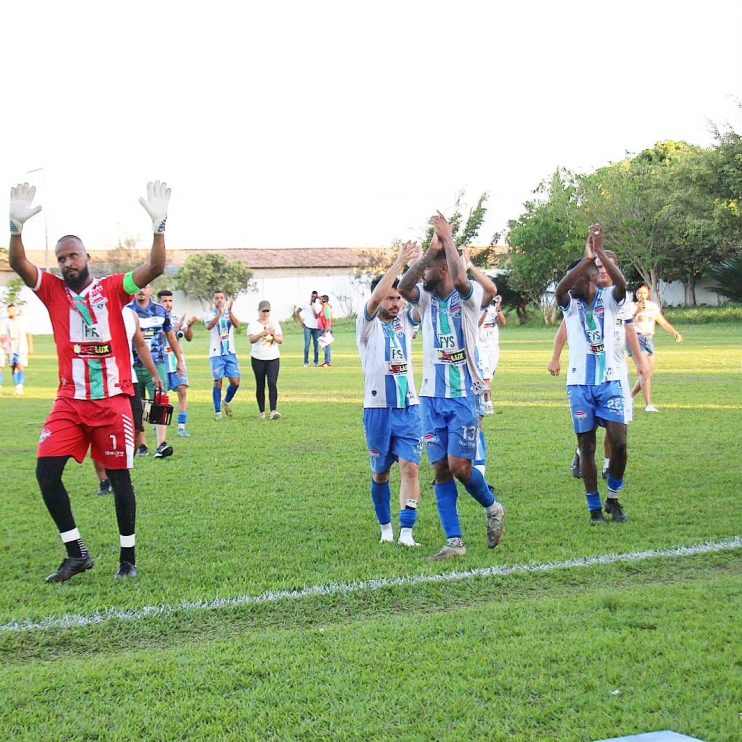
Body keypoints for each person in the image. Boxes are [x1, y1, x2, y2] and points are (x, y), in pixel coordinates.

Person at [8, 178, 171, 581]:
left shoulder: (115, 289)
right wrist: (15, 228)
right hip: (69, 401)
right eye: (61, 258)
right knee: (46, 473)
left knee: (120, 479)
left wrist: (159, 226)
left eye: (73, 256)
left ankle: (127, 560)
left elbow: (155, 267)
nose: (67, 263)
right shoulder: (52, 291)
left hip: (113, 401)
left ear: (87, 257)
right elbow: (18, 264)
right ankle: (76, 552)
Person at [398, 213, 505, 561]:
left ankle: (492, 507)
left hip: (464, 396)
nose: (425, 272)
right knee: (441, 469)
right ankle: (454, 541)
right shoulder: (426, 300)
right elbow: (403, 287)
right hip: (431, 397)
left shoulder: (468, 297)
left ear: (444, 270)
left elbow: (461, 278)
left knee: (460, 466)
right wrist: (429, 252)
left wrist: (449, 240)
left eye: (430, 267)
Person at [549, 250, 647, 481]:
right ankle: (584, 455)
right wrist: (555, 357)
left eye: (606, 266)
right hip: (583, 378)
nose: (603, 270)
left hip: (616, 370)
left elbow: (628, 328)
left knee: (619, 430)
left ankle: (607, 467)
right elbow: (563, 328)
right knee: (588, 435)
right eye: (600, 266)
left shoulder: (614, 298)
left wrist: (639, 360)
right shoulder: (575, 302)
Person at [554, 223, 629, 525]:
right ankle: (594, 507)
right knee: (586, 446)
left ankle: (613, 497)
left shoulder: (610, 298)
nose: (569, 286)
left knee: (620, 442)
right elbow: (561, 289)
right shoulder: (569, 305)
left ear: (590, 279)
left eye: (576, 280)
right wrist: (587, 259)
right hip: (579, 386)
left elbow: (622, 283)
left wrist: (599, 253)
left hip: (610, 382)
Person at [357, 242, 423, 547]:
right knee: (381, 473)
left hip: (408, 407)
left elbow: (420, 295)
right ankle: (386, 529)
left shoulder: (406, 322)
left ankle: (407, 532)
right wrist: (399, 261)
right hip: (378, 409)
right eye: (390, 298)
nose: (395, 303)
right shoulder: (367, 324)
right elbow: (374, 298)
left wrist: (420, 261)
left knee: (410, 467)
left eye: (398, 298)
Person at [95, 306, 164, 495]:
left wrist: (155, 373)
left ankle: (121, 476)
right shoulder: (94, 311)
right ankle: (104, 481)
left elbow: (141, 345)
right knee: (99, 434)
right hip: (100, 383)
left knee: (135, 430)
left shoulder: (129, 314)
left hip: (128, 381)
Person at [128, 284, 184, 458]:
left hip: (158, 363)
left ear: (151, 290)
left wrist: (179, 360)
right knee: (138, 405)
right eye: (138, 287)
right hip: (133, 365)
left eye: (145, 287)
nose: (141, 290)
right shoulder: (126, 311)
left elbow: (171, 336)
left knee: (160, 402)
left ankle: (161, 444)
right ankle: (142, 444)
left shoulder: (160, 311)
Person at [630, 283, 683, 412]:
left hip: (648, 339)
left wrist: (675, 333)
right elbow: (626, 322)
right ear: (635, 294)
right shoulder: (630, 306)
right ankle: (648, 405)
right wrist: (637, 310)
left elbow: (662, 322)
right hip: (636, 339)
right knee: (644, 371)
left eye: (643, 292)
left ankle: (629, 398)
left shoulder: (653, 307)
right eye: (638, 293)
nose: (641, 295)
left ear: (648, 293)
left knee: (647, 373)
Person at [157, 289, 196, 437]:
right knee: (160, 395)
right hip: (160, 361)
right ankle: (159, 424)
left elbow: (189, 338)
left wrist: (189, 326)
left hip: (176, 360)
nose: (168, 304)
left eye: (170, 301)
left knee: (182, 389)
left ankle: (181, 425)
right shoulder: (155, 318)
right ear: (159, 302)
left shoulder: (176, 317)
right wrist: (175, 327)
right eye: (165, 301)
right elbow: (160, 335)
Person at [204, 291, 241, 420]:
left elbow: (237, 326)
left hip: (230, 352)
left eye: (221, 298)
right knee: (218, 382)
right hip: (216, 353)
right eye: (217, 298)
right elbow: (209, 326)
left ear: (225, 300)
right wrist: (219, 314)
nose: (219, 300)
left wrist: (229, 312)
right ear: (213, 300)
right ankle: (218, 412)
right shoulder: (209, 314)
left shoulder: (228, 314)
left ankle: (226, 401)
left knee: (235, 382)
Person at [247, 300, 283, 420]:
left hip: (273, 358)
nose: (265, 313)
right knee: (260, 384)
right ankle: (262, 411)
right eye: (263, 311)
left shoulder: (275, 324)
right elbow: (251, 339)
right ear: (259, 311)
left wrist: (273, 335)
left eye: (267, 311)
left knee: (272, 383)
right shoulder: (253, 324)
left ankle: (273, 410)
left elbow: (280, 340)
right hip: (258, 358)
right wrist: (263, 333)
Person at [3, 303, 34, 395]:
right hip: (11, 348)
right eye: (8, 311)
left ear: (15, 311)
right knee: (13, 367)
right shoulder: (6, 322)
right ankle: (17, 386)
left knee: (20, 366)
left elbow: (28, 334)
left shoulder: (22, 321)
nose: (9, 312)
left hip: (22, 347)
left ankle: (20, 386)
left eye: (11, 310)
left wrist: (31, 346)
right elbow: (3, 335)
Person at [298, 290, 322, 367]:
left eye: (315, 296)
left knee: (316, 346)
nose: (313, 297)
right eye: (312, 296)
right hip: (307, 327)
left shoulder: (319, 304)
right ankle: (306, 362)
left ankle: (316, 361)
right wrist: (301, 322)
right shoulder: (305, 303)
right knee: (307, 345)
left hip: (316, 328)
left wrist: (318, 298)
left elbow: (327, 304)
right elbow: (297, 311)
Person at [318, 294, 334, 367]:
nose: (319, 300)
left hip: (325, 330)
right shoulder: (323, 308)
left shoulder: (327, 309)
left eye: (320, 299)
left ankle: (327, 362)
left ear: (323, 300)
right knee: (324, 346)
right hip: (321, 329)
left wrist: (325, 331)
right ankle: (326, 361)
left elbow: (328, 320)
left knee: (326, 346)